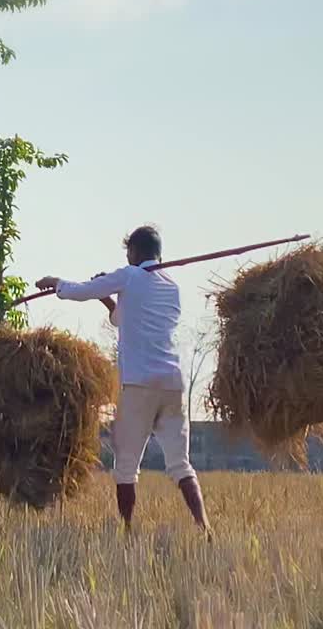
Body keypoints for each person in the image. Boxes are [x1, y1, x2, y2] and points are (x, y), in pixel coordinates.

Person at [36, 225, 210, 535]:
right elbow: (124, 319)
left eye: (128, 251)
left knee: (126, 466)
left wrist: (56, 283)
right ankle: (202, 525)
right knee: (181, 464)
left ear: (136, 252)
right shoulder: (172, 288)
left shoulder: (128, 276)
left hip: (139, 385)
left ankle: (128, 530)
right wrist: (108, 297)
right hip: (172, 384)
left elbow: (79, 291)